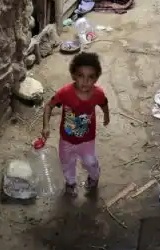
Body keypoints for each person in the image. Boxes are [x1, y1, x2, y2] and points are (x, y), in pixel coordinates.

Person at [42, 52, 110, 197]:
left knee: (90, 162)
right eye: (80, 76)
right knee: (66, 162)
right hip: (66, 139)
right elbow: (49, 106)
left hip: (87, 139)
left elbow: (104, 103)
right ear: (73, 75)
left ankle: (94, 177)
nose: (85, 81)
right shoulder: (65, 93)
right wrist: (46, 126)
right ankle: (70, 182)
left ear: (96, 78)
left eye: (90, 77)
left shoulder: (98, 94)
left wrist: (107, 115)